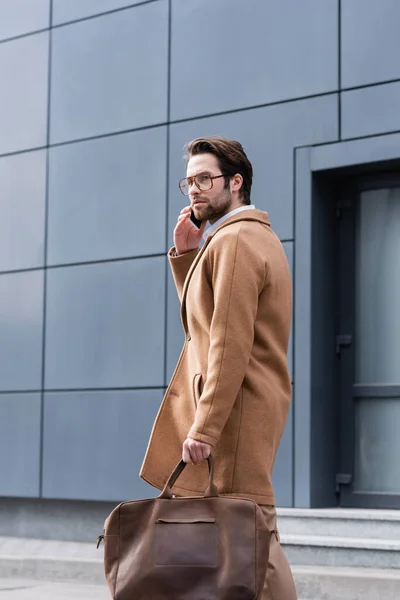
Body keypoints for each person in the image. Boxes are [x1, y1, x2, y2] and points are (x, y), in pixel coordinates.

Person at [140, 136, 297, 600]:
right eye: (188, 181)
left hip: (234, 416)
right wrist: (188, 258)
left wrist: (204, 429)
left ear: (236, 181)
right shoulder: (239, 238)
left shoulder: (237, 241)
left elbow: (228, 346)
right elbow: (207, 325)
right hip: (240, 409)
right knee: (243, 540)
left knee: (253, 539)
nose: (194, 189)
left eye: (204, 179)